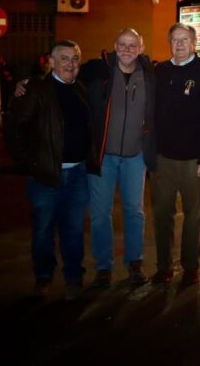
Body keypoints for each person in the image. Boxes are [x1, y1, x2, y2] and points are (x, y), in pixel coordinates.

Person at [5, 40, 98, 300]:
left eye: (75, 59)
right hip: (46, 176)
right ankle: (43, 278)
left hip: (78, 174)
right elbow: (14, 130)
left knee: (74, 230)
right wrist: (30, 165)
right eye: (65, 58)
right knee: (44, 231)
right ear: (52, 62)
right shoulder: (36, 90)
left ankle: (73, 278)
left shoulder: (81, 89)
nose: (70, 64)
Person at [82, 28, 156, 289]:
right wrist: (29, 84)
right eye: (122, 44)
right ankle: (104, 267)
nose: (127, 49)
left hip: (135, 156)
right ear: (114, 46)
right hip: (103, 156)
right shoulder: (98, 72)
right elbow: (63, 77)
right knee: (101, 214)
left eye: (132, 44)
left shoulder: (150, 75)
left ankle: (135, 262)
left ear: (141, 47)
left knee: (134, 212)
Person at [149, 23, 200, 286]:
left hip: (193, 161)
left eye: (184, 40)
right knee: (161, 215)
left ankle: (191, 267)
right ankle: (163, 267)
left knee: (193, 216)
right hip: (163, 160)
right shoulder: (160, 72)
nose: (179, 45)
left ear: (194, 43)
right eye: (174, 40)